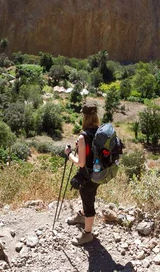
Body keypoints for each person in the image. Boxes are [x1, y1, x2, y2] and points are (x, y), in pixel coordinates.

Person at [64, 102, 100, 246]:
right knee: (89, 198)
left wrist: (69, 154)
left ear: (84, 117)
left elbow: (80, 163)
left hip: (88, 176)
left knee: (88, 201)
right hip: (98, 173)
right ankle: (83, 216)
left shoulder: (83, 136)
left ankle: (87, 234)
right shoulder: (99, 131)